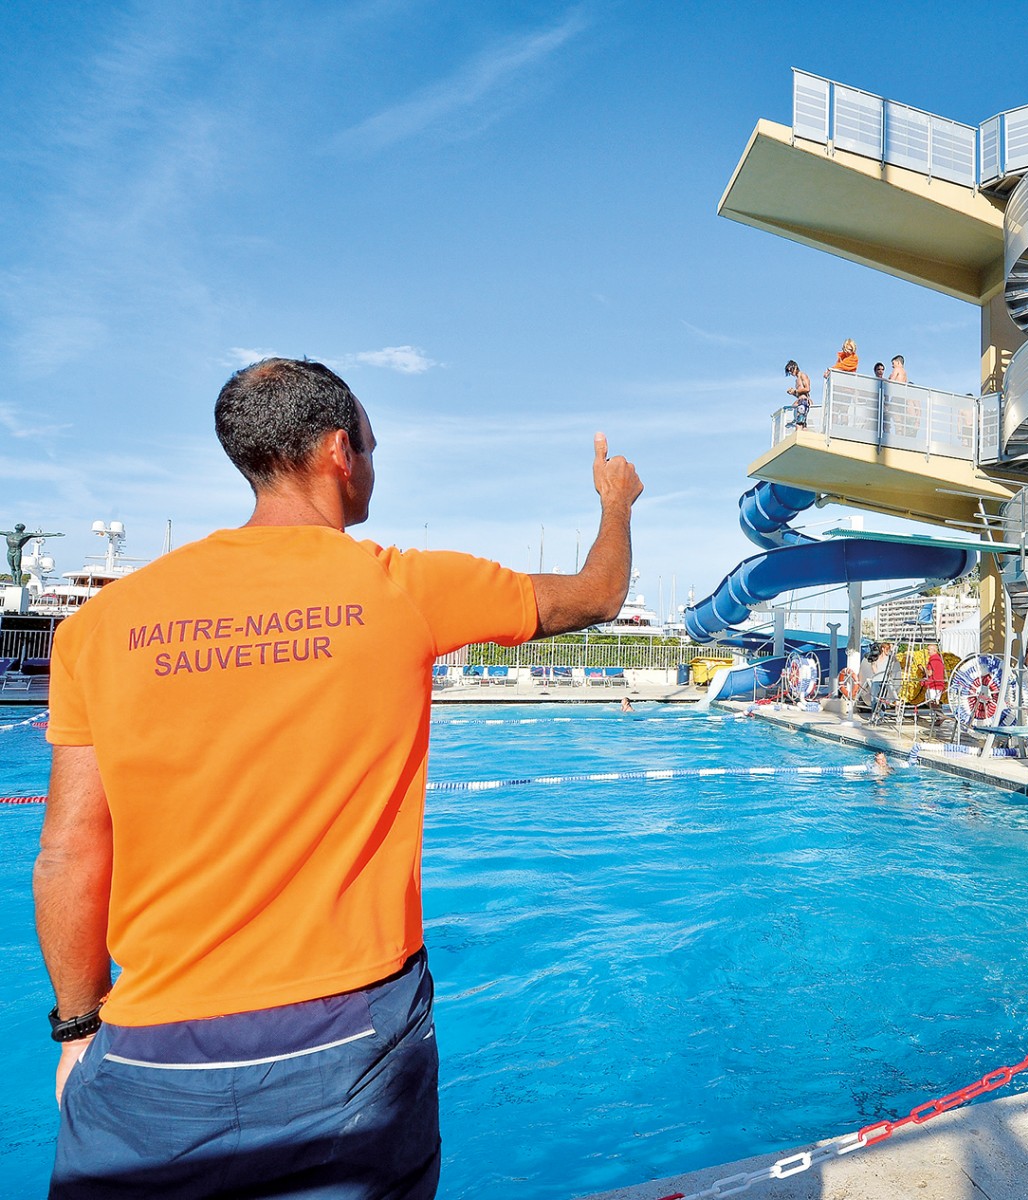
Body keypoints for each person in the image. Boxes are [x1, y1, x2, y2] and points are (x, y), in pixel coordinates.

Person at [35, 358, 643, 1197]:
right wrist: (616, 501)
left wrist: (77, 1028)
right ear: (337, 453)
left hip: (149, 1055)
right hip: (348, 1039)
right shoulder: (406, 587)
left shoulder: (99, 627)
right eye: (372, 445)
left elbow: (70, 850)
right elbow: (597, 595)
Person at [784, 360, 811, 428]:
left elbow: (807, 389)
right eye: (789, 371)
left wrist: (795, 391)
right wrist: (793, 393)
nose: (790, 372)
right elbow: (799, 393)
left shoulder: (802, 375)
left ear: (795, 367)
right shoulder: (797, 380)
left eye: (791, 369)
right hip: (800, 401)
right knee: (801, 424)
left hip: (803, 401)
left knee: (799, 424)